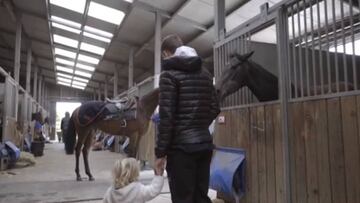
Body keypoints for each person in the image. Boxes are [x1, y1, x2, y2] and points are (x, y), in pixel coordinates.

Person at [155, 34, 220, 203]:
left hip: (181, 150)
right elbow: (215, 107)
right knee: (201, 197)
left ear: (166, 53)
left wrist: (160, 153)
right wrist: (197, 126)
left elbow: (166, 118)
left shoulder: (168, 75)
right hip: (204, 145)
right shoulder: (205, 74)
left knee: (183, 198)